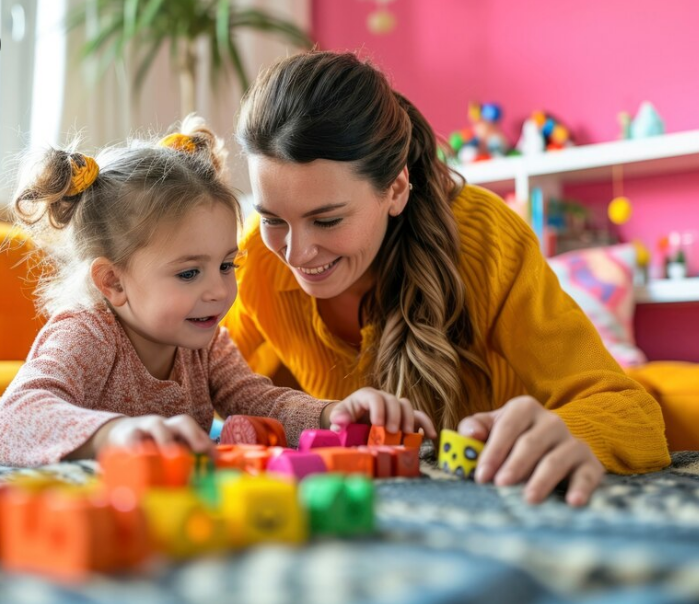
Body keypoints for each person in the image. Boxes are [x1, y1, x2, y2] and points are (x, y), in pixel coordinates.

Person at [223, 50, 671, 507]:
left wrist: (569, 429)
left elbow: (635, 416)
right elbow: (204, 381)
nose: (295, 254)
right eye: (272, 218)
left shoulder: (489, 239)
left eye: (328, 221)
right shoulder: (257, 259)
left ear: (395, 189)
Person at [0, 116, 435, 468]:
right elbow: (15, 417)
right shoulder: (87, 334)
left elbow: (259, 402)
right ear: (112, 282)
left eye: (227, 265)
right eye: (189, 273)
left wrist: (332, 413)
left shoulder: (205, 344)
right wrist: (113, 435)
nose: (219, 291)